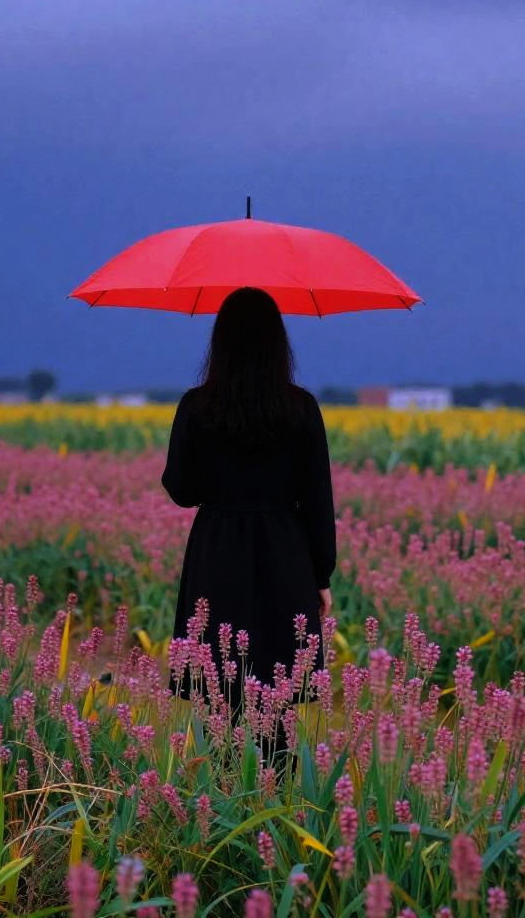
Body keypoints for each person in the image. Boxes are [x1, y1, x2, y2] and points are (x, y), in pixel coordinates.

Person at [160, 286, 337, 770]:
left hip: (217, 548)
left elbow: (182, 490)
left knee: (219, 682)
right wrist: (321, 575)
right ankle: (278, 797)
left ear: (220, 342)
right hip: (284, 550)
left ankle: (221, 793)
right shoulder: (301, 408)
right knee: (277, 685)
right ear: (278, 343)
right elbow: (318, 498)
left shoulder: (196, 407)